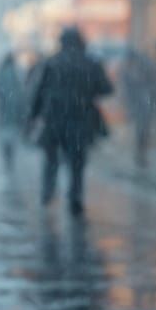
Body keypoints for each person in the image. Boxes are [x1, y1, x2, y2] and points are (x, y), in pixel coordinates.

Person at [28, 28, 112, 213]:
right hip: (80, 120)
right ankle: (75, 197)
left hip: (54, 119)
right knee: (77, 162)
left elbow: (39, 92)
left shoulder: (52, 62)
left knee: (51, 159)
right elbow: (106, 89)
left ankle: (48, 193)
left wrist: (33, 116)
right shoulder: (90, 63)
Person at [119, 45, 156, 169]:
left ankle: (141, 155)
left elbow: (152, 85)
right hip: (141, 105)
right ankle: (140, 155)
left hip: (145, 105)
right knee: (142, 131)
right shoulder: (130, 70)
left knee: (143, 131)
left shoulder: (141, 68)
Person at [0, 50, 29, 178]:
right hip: (13, 109)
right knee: (11, 133)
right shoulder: (15, 72)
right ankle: (10, 158)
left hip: (5, 109)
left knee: (5, 134)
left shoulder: (2, 72)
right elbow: (20, 91)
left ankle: (7, 157)